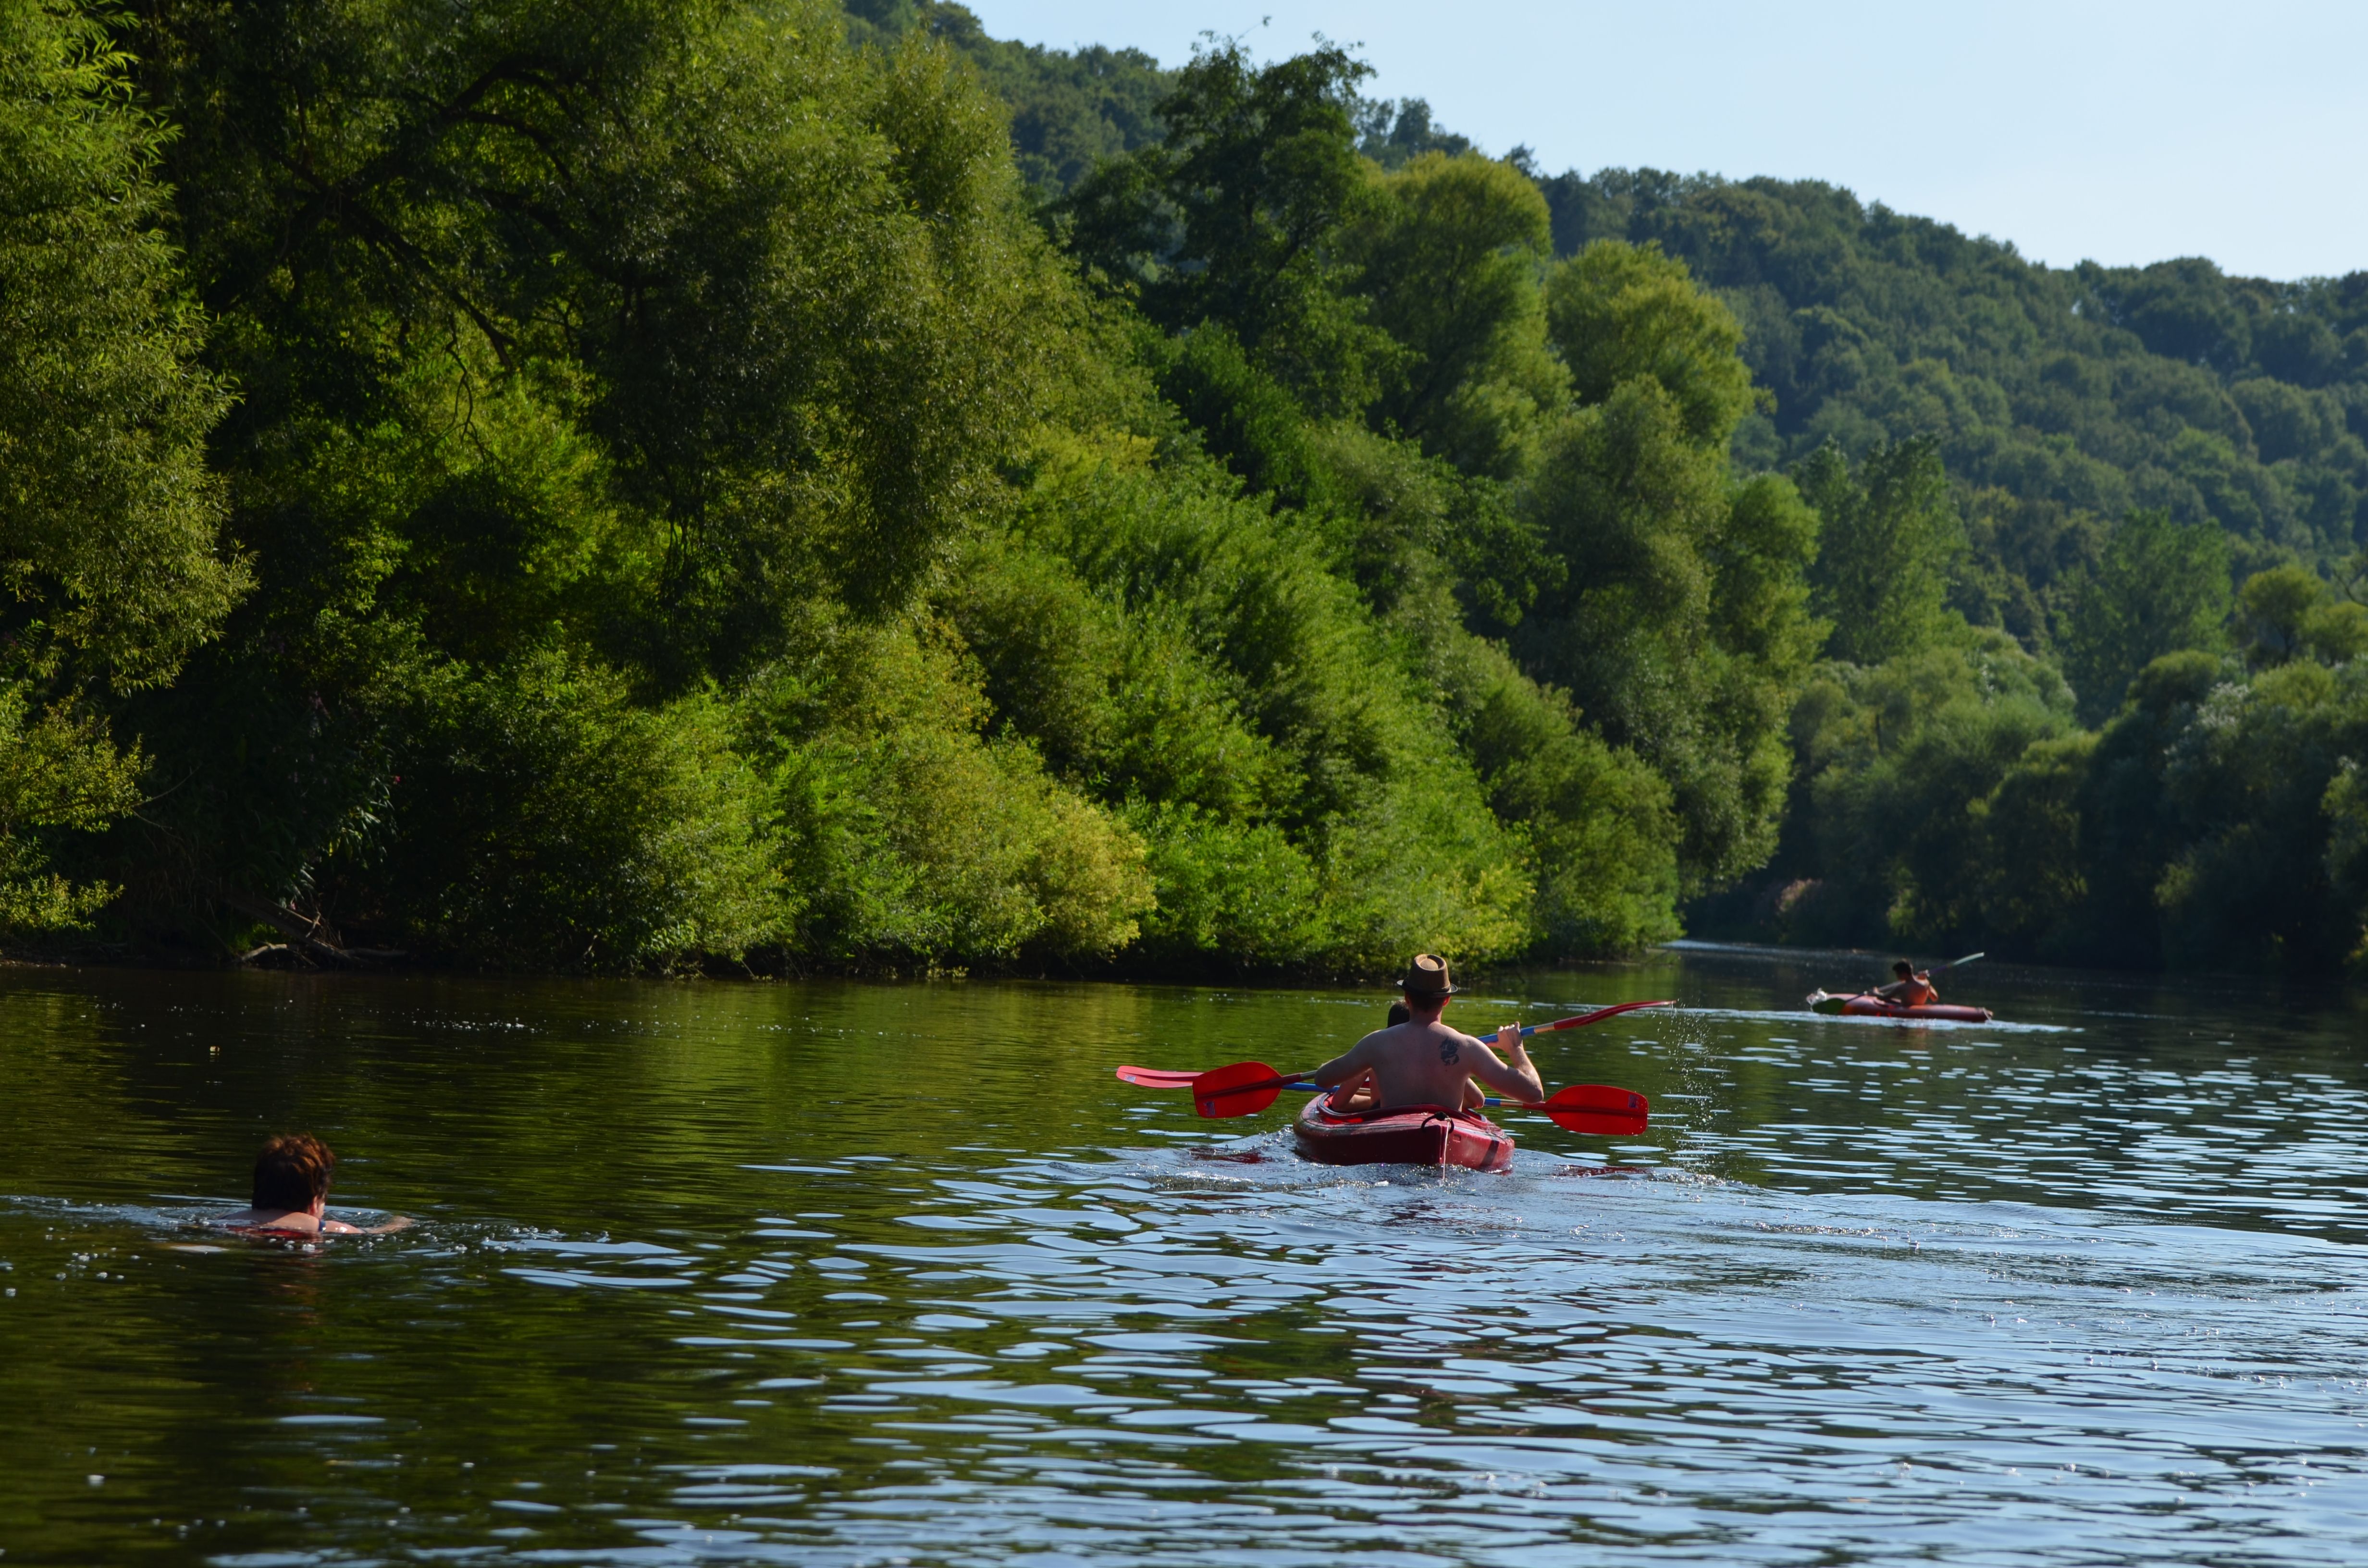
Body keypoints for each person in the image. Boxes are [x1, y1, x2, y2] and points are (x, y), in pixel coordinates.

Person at [1305, 954, 1543, 1115]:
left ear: (1407, 999)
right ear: (1447, 1000)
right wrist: (1516, 1050)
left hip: (1391, 1137)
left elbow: (1322, 1079)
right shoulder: (1468, 1048)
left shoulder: (1377, 1043)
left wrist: (1360, 1064)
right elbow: (1533, 1094)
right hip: (1445, 1139)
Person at [214, 1134, 411, 1236]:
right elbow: (373, 1233)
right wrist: (399, 1223)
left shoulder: (226, 1219)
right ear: (315, 1201)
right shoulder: (323, 1228)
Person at [1874, 960, 1938, 1006]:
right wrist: (1925, 980)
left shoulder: (1901, 987)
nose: (1897, 976)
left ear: (1904, 974)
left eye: (1898, 974)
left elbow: (1884, 997)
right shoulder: (1925, 983)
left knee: (1888, 1000)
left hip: (1905, 1017)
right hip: (1920, 1014)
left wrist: (1875, 992)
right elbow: (1935, 998)